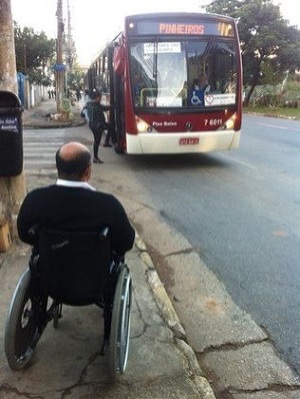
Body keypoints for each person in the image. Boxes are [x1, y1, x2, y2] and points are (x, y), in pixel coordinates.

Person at [17, 142, 135, 260]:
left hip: (49, 273)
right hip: (97, 274)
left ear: (58, 169)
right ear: (87, 172)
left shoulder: (35, 200)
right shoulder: (109, 205)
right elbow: (126, 242)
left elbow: (23, 233)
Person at [86, 91, 113, 164]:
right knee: (97, 141)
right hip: (97, 126)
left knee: (110, 127)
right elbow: (103, 108)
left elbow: (104, 108)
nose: (100, 99)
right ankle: (95, 158)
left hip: (94, 125)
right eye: (100, 97)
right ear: (96, 97)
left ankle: (106, 142)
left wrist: (111, 107)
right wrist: (112, 107)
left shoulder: (91, 104)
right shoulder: (95, 106)